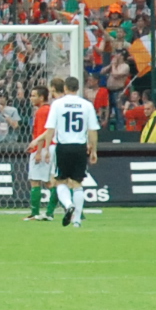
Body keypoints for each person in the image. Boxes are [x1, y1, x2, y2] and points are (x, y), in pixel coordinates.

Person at [45, 75, 100, 228]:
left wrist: (47, 149)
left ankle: (69, 205)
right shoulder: (87, 105)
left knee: (60, 181)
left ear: (65, 88)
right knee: (77, 183)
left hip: (63, 146)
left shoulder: (57, 104)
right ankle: (77, 220)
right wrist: (94, 150)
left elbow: (50, 128)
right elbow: (92, 130)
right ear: (78, 88)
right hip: (80, 147)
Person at [25, 80, 58, 220]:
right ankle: (50, 211)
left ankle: (36, 213)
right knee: (50, 182)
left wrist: (38, 152)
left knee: (36, 181)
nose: (31, 98)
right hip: (51, 147)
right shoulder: (49, 110)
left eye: (34, 96)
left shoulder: (42, 111)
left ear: (42, 97)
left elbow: (42, 133)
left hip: (43, 148)